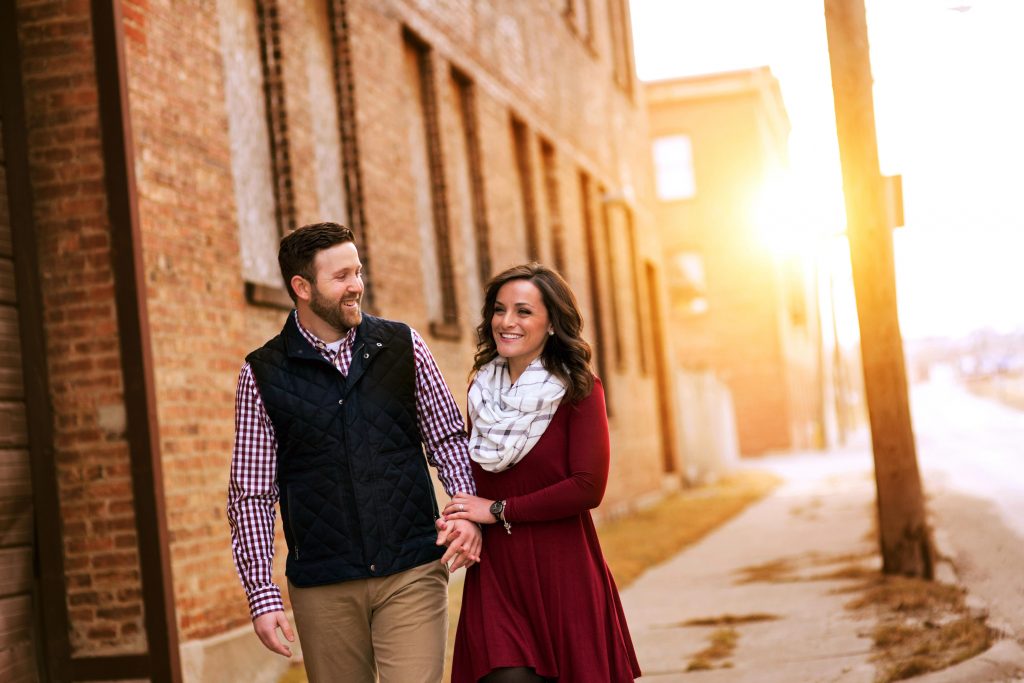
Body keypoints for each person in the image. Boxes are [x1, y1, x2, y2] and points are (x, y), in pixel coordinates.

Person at [227, 222, 481, 683]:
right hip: (323, 587)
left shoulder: (403, 346)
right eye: (341, 276)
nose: (356, 286)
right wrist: (261, 593)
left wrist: (465, 513)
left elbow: (447, 439)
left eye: (358, 272)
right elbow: (251, 494)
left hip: (411, 569)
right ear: (302, 287)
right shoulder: (261, 374)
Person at [440, 263, 641, 682]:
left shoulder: (579, 389)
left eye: (523, 311)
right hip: (497, 571)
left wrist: (496, 510)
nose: (507, 322)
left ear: (551, 324)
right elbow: (474, 477)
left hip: (561, 567)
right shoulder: (481, 391)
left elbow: (587, 487)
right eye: (499, 310)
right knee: (504, 675)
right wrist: (463, 518)